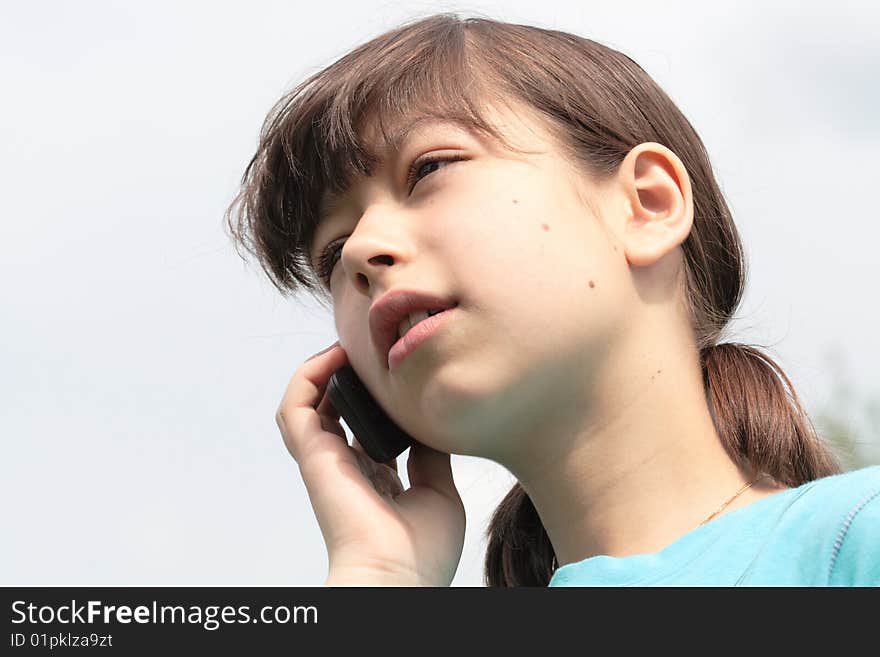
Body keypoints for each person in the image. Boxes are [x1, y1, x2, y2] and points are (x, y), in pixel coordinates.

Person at [224, 13, 879, 586]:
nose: (365, 249)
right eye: (333, 255)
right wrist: (379, 575)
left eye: (427, 169)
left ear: (646, 204)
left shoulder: (853, 541)